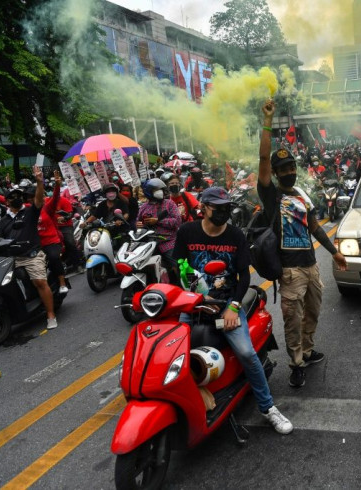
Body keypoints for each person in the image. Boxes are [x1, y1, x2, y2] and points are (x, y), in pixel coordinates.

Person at [173, 186, 293, 434]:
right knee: (173, 351)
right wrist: (188, 294)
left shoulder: (235, 235)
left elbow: (243, 277)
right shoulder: (187, 232)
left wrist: (233, 307)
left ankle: (268, 407)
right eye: (217, 208)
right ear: (203, 208)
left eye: (226, 208)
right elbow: (179, 266)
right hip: (193, 304)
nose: (222, 213)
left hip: (227, 303)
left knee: (247, 354)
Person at [257, 99, 347, 388]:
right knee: (292, 320)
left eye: (291, 166)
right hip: (290, 272)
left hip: (311, 268)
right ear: (275, 172)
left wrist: (334, 253)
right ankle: (296, 362)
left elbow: (315, 227)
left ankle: (307, 351)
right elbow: (262, 161)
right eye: (282, 168)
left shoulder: (301, 194)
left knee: (313, 312)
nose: (288, 172)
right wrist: (268, 123)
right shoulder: (272, 196)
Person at [0, 166, 57, 329]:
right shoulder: (4, 221)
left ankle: (50, 315)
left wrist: (39, 181)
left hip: (32, 255)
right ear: (7, 201)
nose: (15, 198)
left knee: (39, 282)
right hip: (12, 259)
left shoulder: (30, 212)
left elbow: (39, 200)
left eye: (18, 196)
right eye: (12, 197)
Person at [136, 178, 182, 284]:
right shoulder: (143, 207)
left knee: (177, 266)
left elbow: (177, 221)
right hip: (149, 244)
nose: (160, 192)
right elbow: (138, 223)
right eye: (157, 190)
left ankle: (181, 286)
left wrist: (158, 221)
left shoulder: (169, 204)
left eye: (161, 189)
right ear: (149, 192)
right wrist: (138, 225)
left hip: (168, 241)